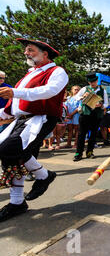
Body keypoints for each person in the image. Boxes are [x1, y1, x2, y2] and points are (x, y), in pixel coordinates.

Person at [0, 38, 68, 222]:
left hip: (41, 118)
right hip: (22, 120)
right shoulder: (30, 74)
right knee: (9, 156)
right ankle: (17, 203)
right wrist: (4, 114)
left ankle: (44, 176)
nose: (26, 53)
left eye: (30, 50)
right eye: (26, 50)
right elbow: (16, 102)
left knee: (10, 150)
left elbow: (48, 91)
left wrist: (16, 92)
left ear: (45, 54)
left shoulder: (57, 72)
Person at [72, 72, 109, 161]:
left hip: (96, 115)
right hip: (85, 114)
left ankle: (90, 151)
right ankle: (78, 153)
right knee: (81, 134)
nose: (92, 84)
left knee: (93, 134)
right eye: (90, 82)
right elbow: (75, 97)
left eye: (94, 82)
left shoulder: (102, 90)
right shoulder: (85, 89)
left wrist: (101, 105)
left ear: (97, 81)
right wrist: (82, 97)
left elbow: (107, 103)